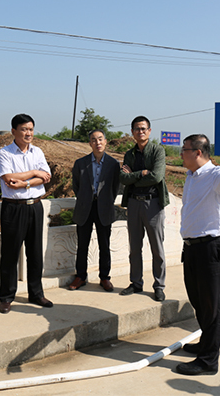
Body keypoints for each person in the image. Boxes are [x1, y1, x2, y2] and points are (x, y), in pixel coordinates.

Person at [176, 134, 220, 376]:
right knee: (198, 300)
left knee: (212, 305)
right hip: (192, 247)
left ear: (198, 152)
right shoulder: (191, 176)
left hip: (210, 248)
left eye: (184, 149)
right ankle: (205, 344)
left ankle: (208, 361)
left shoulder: (216, 174)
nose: (181, 154)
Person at [0, 114, 53, 314]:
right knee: (10, 254)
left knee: (35, 252)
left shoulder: (38, 152)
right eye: (24, 129)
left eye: (31, 129)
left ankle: (36, 293)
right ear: (14, 131)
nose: (28, 133)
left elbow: (46, 177)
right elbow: (8, 177)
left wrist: (25, 183)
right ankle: (6, 297)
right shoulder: (4, 153)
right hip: (13, 208)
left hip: (35, 206)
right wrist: (34, 173)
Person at [119, 116, 169, 301]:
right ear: (132, 132)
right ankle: (136, 283)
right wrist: (142, 173)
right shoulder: (129, 154)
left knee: (157, 248)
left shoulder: (157, 151)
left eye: (143, 128)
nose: (140, 131)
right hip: (134, 203)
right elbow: (123, 179)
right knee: (134, 247)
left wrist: (133, 176)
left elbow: (156, 177)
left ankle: (159, 285)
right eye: (137, 129)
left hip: (153, 204)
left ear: (149, 131)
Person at [69, 129, 121, 292]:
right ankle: (80, 276)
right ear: (90, 143)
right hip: (85, 208)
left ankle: (104, 277)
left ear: (105, 141)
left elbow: (115, 187)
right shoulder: (80, 163)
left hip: (104, 208)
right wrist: (85, 199)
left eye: (100, 139)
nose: (97, 142)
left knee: (104, 245)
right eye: (93, 140)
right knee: (82, 245)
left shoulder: (113, 164)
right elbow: (76, 186)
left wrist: (106, 200)